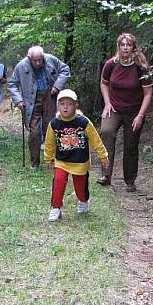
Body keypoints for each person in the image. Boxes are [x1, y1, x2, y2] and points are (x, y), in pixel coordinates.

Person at [97, 33, 153, 192]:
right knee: (106, 132)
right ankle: (106, 175)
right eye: (122, 45)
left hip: (134, 111)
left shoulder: (141, 67)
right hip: (114, 108)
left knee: (131, 145)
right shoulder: (111, 64)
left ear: (133, 47)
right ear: (118, 47)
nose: (125, 48)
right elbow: (104, 83)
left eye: (128, 45)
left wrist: (140, 115)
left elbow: (148, 93)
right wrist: (107, 103)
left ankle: (130, 180)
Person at [44, 89, 108, 222]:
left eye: (69, 104)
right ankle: (56, 208)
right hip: (62, 161)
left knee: (80, 187)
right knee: (58, 182)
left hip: (80, 161)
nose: (66, 107)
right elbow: (49, 142)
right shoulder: (54, 124)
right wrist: (48, 158)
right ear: (58, 106)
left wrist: (103, 155)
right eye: (62, 104)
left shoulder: (83, 122)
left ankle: (83, 201)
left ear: (76, 105)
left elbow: (96, 139)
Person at [7, 46, 71, 168]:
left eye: (40, 60)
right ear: (29, 58)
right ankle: (34, 163)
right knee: (34, 132)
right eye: (35, 60)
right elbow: (12, 84)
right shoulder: (21, 66)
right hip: (31, 101)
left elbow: (65, 70)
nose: (38, 63)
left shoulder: (51, 59)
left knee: (51, 128)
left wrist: (57, 86)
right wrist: (19, 100)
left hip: (49, 97)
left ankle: (51, 160)